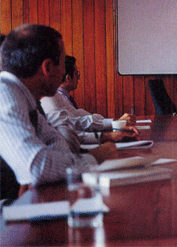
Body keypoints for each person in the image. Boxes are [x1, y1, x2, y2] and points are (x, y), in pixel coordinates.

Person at [0, 24, 115, 188]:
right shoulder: (4, 95)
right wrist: (94, 158)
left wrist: (51, 160)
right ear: (47, 67)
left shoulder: (22, 95)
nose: (63, 72)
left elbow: (58, 141)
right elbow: (37, 167)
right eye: (61, 64)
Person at [41, 55, 139, 153]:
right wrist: (108, 136)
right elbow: (71, 131)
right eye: (61, 69)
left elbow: (77, 116)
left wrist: (114, 124)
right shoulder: (48, 96)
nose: (63, 73)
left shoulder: (55, 94)